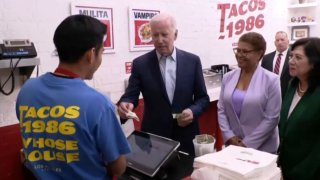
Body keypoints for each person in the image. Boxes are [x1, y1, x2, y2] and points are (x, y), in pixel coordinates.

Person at [16, 15, 131, 180]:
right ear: (91, 54)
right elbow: (118, 168)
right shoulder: (99, 103)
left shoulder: (28, 90)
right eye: (102, 52)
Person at [117, 13, 209, 156]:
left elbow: (203, 99)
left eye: (165, 35)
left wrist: (192, 111)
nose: (159, 40)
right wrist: (125, 104)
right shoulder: (140, 64)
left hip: (185, 135)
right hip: (154, 137)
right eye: (155, 35)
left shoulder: (192, 61)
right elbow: (130, 95)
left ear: (175, 34)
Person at [218, 32, 281, 153]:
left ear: (259, 54)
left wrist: (247, 144)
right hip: (233, 145)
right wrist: (229, 136)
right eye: (238, 50)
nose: (239, 55)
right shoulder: (227, 77)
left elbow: (271, 118)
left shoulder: (272, 80)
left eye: (245, 52)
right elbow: (221, 109)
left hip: (262, 148)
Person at [278, 37, 320, 179]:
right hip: (288, 166)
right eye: (291, 56)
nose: (291, 61)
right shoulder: (293, 85)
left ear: (314, 63)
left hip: (311, 170)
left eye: (298, 57)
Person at [261, 31, 292, 98]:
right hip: (268, 94)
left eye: (282, 40)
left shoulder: (294, 57)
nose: (279, 42)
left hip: (287, 95)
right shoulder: (266, 58)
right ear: (275, 43)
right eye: (277, 40)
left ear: (288, 41)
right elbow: (262, 77)